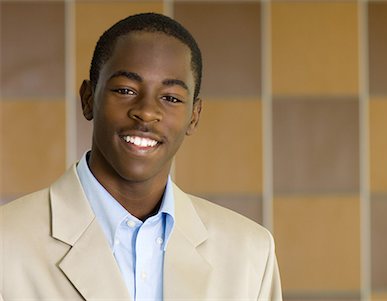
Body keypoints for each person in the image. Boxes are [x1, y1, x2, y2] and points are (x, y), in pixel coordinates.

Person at [0, 12, 282, 300]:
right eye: (125, 90)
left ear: (194, 116)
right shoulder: (7, 242)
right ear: (88, 99)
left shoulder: (250, 253)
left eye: (171, 98)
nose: (146, 112)